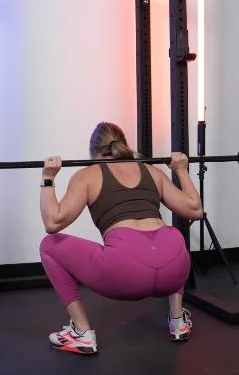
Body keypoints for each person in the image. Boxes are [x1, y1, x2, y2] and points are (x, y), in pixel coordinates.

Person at [38, 121, 204, 355]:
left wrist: (48, 178)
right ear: (123, 144)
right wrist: (181, 170)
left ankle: (82, 333)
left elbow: (52, 222)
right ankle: (177, 320)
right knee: (170, 240)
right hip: (174, 270)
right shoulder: (151, 171)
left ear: (93, 152)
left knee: (49, 246)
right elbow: (195, 210)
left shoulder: (88, 175)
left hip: (128, 272)